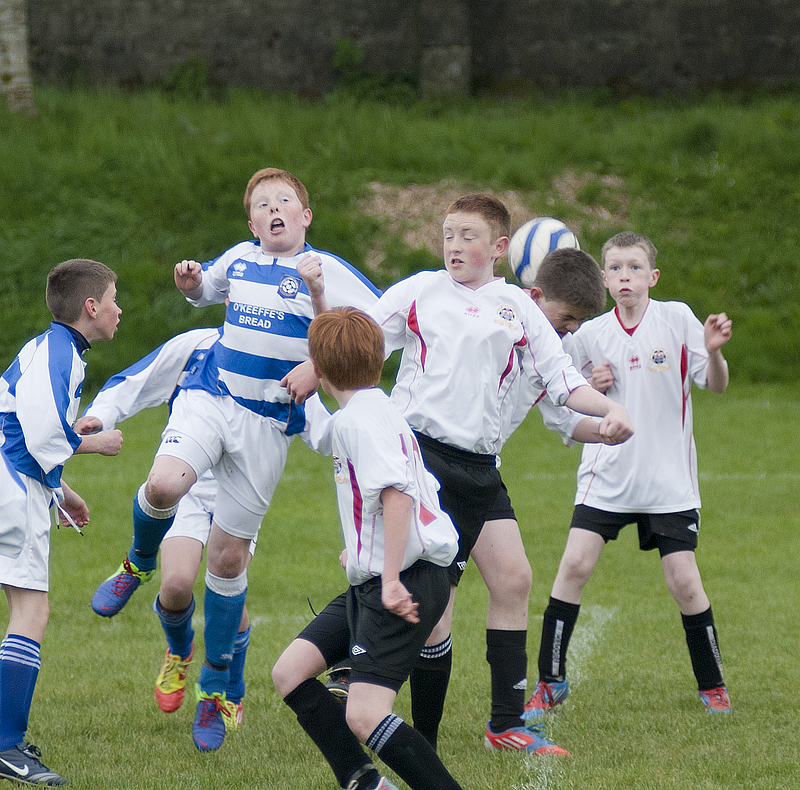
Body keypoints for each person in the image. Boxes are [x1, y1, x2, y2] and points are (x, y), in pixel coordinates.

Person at [298, 194, 634, 755]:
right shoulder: (419, 292)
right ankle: (397, 712)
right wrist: (315, 360)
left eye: (468, 235)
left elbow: (563, 384)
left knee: (513, 579)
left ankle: (505, 722)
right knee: (434, 610)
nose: (454, 244)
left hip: (481, 469)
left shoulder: (516, 307)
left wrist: (611, 413)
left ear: (500, 249)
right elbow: (360, 339)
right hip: (422, 458)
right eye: (449, 233)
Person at [90, 167, 380, 752]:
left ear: (306, 216)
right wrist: (193, 283)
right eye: (262, 204)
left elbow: (377, 328)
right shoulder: (240, 260)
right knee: (164, 486)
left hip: (267, 426)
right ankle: (137, 561)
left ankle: (216, 687)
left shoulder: (327, 273)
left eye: (285, 201)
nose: (274, 209)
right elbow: (207, 293)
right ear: (251, 223)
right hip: (212, 398)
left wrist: (318, 369)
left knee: (225, 563)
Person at [78, 326, 334, 725]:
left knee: (229, 590)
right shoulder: (196, 345)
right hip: (190, 490)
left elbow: (325, 431)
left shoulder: (285, 359)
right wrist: (101, 414)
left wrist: (369, 434)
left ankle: (227, 687)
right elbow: (139, 380)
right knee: (176, 585)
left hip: (240, 496)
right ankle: (178, 652)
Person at [525, 231, 733, 720]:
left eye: (635, 268)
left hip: (668, 483)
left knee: (684, 580)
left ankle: (714, 686)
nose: (625, 277)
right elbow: (560, 395)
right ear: (603, 277)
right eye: (615, 268)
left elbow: (716, 385)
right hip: (607, 476)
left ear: (652, 277)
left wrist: (716, 351)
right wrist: (586, 385)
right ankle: (550, 681)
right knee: (573, 566)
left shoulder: (678, 319)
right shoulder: (587, 335)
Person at [272, 307, 465, 790]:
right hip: (378, 576)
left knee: (365, 714)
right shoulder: (373, 410)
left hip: (401, 581)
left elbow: (398, 495)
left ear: (318, 366)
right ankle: (364, 782)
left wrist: (393, 574)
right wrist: (361, 550)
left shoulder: (357, 421)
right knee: (291, 672)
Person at [0, 259, 123, 786]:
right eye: (114, 299)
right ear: (90, 307)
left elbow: (23, 425)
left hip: (17, 479)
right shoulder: (60, 354)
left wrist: (64, 491)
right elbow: (42, 432)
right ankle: (6, 746)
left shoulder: (49, 347)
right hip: (12, 487)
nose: (120, 310)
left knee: (24, 608)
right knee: (32, 611)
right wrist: (95, 443)